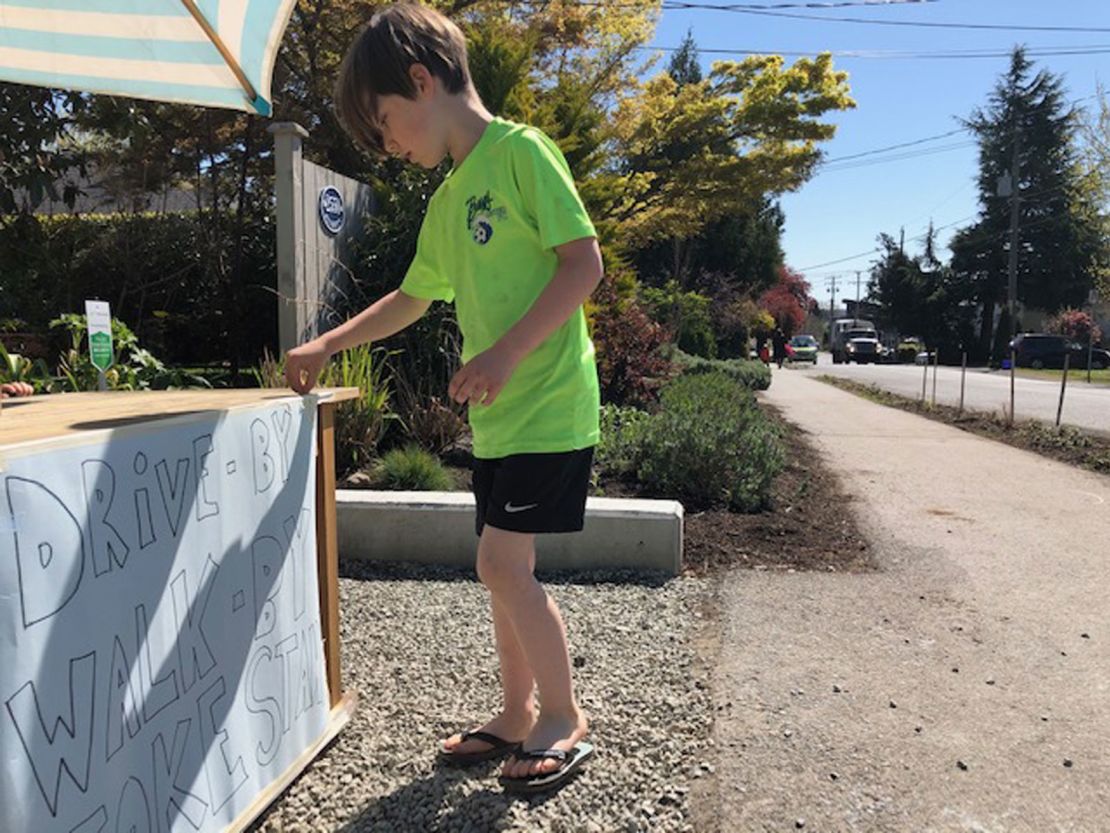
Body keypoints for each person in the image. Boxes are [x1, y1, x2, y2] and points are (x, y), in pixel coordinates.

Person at [284, 3, 601, 793]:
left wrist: (503, 352)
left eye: (387, 124)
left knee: (500, 564)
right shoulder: (448, 201)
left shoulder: (523, 153)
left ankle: (564, 715)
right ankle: (517, 712)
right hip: (502, 421)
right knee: (502, 568)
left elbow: (582, 266)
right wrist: (329, 341)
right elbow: (412, 297)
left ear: (421, 81)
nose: (391, 146)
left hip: (550, 406)